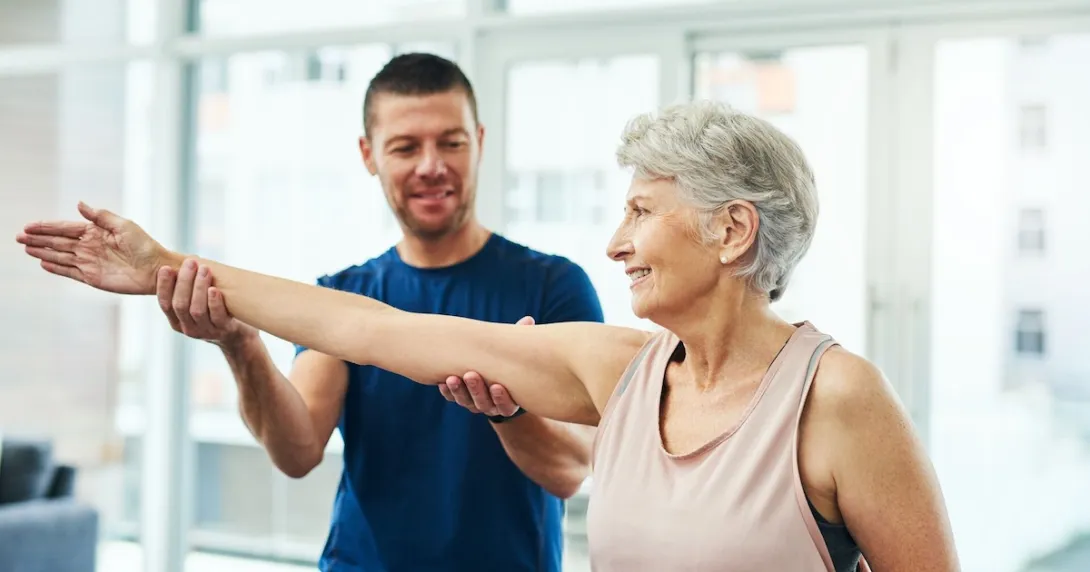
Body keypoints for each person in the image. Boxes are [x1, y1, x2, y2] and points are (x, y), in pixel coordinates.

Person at [16, 99, 961, 571]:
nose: (616, 240)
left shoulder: (838, 399)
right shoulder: (616, 367)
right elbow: (368, 327)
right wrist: (167, 266)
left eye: (641, 211)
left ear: (730, 229)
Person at [124, 52, 606, 571]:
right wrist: (241, 346)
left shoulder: (553, 286)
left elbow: (571, 469)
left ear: (480, 142)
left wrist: (507, 412)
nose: (431, 165)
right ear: (368, 154)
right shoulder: (345, 294)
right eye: (405, 147)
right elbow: (297, 451)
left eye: (452, 142)